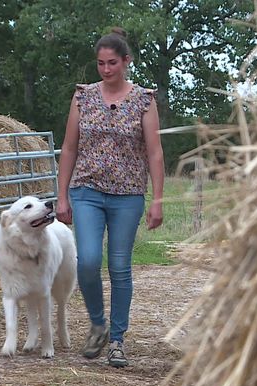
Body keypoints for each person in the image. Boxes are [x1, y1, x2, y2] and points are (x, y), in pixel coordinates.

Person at [57, 28, 164, 367]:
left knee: (119, 267)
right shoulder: (82, 97)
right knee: (87, 261)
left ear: (126, 62)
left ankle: (117, 340)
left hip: (128, 194)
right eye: (101, 63)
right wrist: (62, 196)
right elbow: (70, 146)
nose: (106, 69)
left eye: (112, 63)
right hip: (86, 190)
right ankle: (97, 324)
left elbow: (155, 152)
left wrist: (158, 199)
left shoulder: (144, 100)